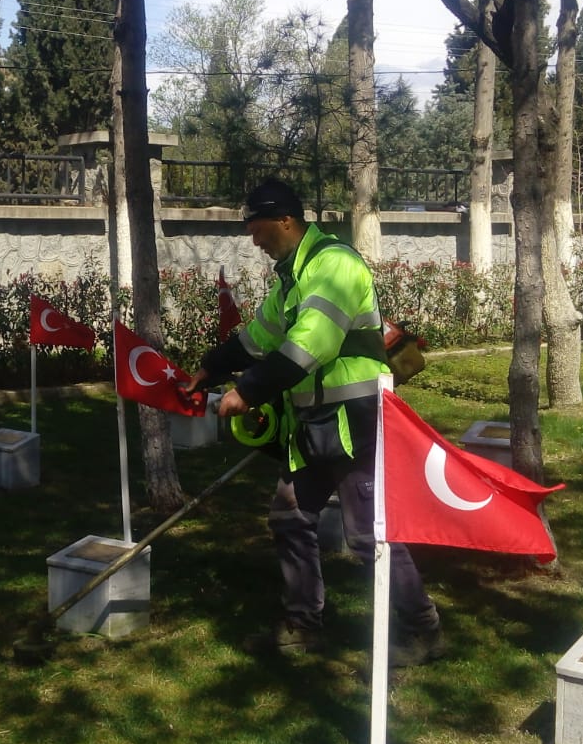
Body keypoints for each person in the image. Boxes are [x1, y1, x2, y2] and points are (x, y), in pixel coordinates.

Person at [187, 179, 444, 666]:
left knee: (369, 535)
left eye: (258, 228)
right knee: (289, 517)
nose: (254, 240)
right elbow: (260, 335)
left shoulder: (334, 264)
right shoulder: (292, 275)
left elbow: (310, 346)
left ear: (285, 220)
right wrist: (212, 366)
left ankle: (423, 629)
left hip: (355, 419)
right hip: (312, 423)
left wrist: (248, 390)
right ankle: (303, 627)